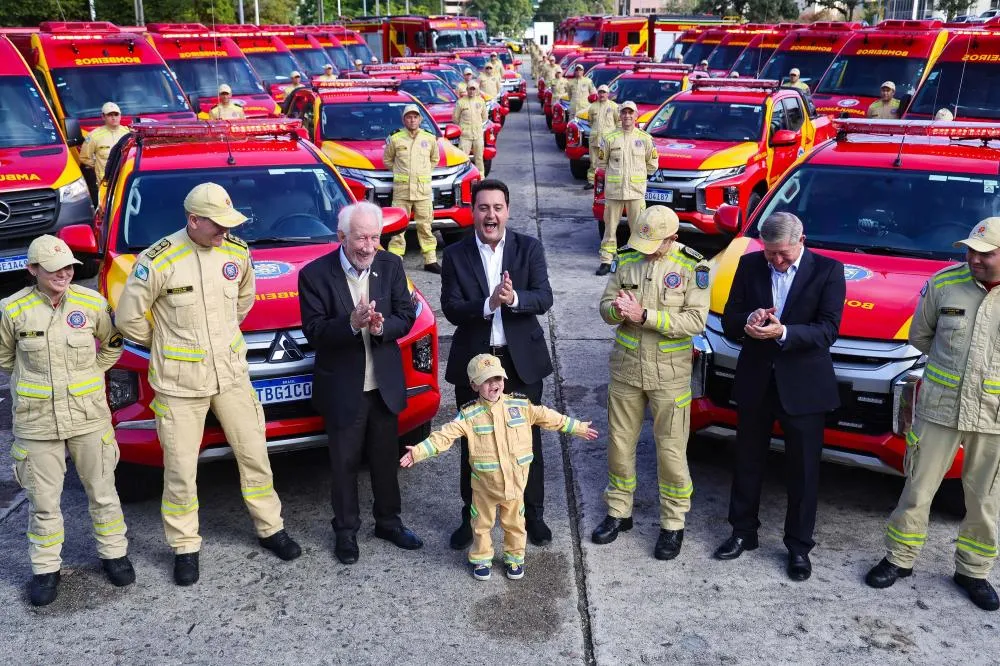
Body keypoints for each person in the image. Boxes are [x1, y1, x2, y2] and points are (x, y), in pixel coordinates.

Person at [115, 182, 301, 586]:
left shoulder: (235, 253)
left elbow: (244, 300)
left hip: (231, 375)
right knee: (181, 469)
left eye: (227, 225)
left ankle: (271, 528)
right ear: (193, 220)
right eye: (217, 225)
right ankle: (185, 547)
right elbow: (129, 319)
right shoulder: (158, 260)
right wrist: (167, 344)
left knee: (254, 455)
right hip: (180, 385)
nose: (224, 233)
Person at [864, 219, 1000, 611]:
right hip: (939, 408)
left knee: (985, 499)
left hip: (993, 416)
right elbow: (919, 336)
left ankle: (973, 571)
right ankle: (899, 559)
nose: (974, 258)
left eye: (985, 253)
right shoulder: (943, 284)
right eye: (971, 250)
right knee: (918, 489)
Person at [0, 235, 134, 607]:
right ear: (33, 270)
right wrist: (36, 387)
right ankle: (45, 570)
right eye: (55, 268)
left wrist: (93, 371)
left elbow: (114, 342)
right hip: (37, 421)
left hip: (89, 416)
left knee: (103, 492)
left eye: (70, 267)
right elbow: (6, 359)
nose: (64, 273)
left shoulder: (92, 303)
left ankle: (114, 555)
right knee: (43, 501)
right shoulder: (12, 310)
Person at [714, 212, 845, 581]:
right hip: (757, 380)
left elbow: (827, 330)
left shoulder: (829, 271)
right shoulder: (749, 263)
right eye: (771, 253)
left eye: (784, 254)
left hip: (803, 386)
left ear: (801, 239)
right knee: (746, 461)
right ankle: (742, 532)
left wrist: (784, 332)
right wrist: (749, 320)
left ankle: (799, 547)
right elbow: (729, 318)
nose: (777, 261)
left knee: (803, 471)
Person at [299, 201, 422, 565]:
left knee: (386, 460)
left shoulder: (391, 264)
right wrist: (351, 324)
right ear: (341, 237)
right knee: (344, 464)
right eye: (360, 238)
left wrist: (383, 327)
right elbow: (314, 333)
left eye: (374, 237)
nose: (368, 246)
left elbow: (406, 315)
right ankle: (346, 531)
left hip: (383, 385)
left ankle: (388, 522)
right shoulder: (315, 275)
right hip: (343, 389)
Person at [401, 354, 598, 580]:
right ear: (474, 385)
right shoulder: (469, 414)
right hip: (485, 487)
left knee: (515, 524)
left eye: (498, 378)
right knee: (481, 525)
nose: (494, 384)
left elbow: (549, 417)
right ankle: (481, 558)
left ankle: (515, 558)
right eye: (486, 380)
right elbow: (444, 435)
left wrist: (577, 427)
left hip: (515, 484)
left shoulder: (520, 406)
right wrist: (418, 451)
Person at [440, 179, 555, 550]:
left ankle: (531, 514)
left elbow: (544, 297)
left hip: (520, 363)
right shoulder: (456, 255)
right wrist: (489, 303)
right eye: (483, 208)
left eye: (497, 208)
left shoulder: (528, 248)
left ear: (507, 210)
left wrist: (514, 297)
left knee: (527, 442)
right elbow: (452, 308)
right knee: (473, 444)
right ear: (473, 211)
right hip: (476, 364)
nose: (491, 215)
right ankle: (470, 518)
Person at [592, 206, 710, 559]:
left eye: (654, 243)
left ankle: (672, 524)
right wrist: (617, 310)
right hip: (627, 369)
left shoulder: (694, 267)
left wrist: (644, 315)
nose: (646, 249)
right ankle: (618, 512)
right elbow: (604, 308)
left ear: (673, 238)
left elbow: (695, 321)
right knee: (618, 444)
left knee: (671, 452)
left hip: (670, 376)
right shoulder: (627, 258)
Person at [594, 101, 659, 275]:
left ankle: (636, 261)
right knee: (609, 229)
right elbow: (601, 162)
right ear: (620, 115)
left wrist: (638, 178)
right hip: (614, 192)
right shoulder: (609, 138)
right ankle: (606, 261)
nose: (627, 116)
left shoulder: (645, 139)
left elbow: (652, 164)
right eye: (624, 113)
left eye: (631, 113)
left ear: (636, 115)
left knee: (638, 229)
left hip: (636, 192)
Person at [383, 104, 441, 273]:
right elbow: (388, 160)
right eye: (409, 117)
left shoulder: (429, 139)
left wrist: (423, 173)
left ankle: (430, 261)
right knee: (398, 228)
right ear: (404, 120)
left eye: (415, 117)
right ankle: (396, 260)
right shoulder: (395, 139)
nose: (412, 119)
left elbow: (434, 159)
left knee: (426, 226)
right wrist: (400, 172)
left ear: (420, 119)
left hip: (422, 191)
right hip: (402, 191)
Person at [79, 101, 130, 187]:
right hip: (105, 183)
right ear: (103, 117)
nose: (114, 118)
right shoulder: (94, 136)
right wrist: (98, 166)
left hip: (124, 180)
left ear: (120, 116)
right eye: (110, 115)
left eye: (116, 114)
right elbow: (84, 157)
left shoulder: (128, 133)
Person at [583, 84, 620, 190]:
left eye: (604, 92)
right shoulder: (593, 106)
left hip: (608, 141)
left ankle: (608, 182)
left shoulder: (614, 106)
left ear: (608, 94)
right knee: (594, 162)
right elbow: (590, 122)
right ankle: (591, 181)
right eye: (600, 92)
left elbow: (618, 123)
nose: (602, 94)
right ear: (597, 93)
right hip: (595, 139)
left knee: (608, 162)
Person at [453, 78, 488, 174]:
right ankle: (464, 178)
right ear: (467, 89)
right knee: (463, 158)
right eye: (470, 89)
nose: (472, 91)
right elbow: (455, 119)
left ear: (477, 90)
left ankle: (480, 177)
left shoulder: (481, 101)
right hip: (465, 136)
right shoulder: (461, 102)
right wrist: (463, 128)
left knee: (479, 158)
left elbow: (485, 117)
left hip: (478, 135)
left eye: (474, 89)